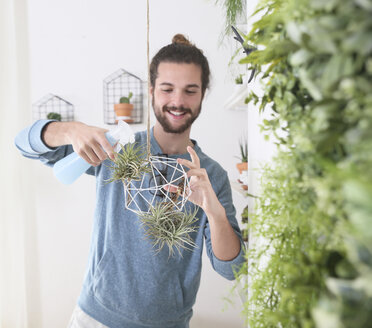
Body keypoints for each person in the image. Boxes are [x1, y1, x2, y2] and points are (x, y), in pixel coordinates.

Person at [15, 34, 245, 328]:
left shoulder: (210, 175)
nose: (178, 101)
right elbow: (23, 144)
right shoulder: (116, 147)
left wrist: (214, 212)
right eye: (167, 89)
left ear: (202, 95)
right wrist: (70, 130)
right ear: (151, 91)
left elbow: (233, 269)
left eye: (190, 90)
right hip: (95, 318)